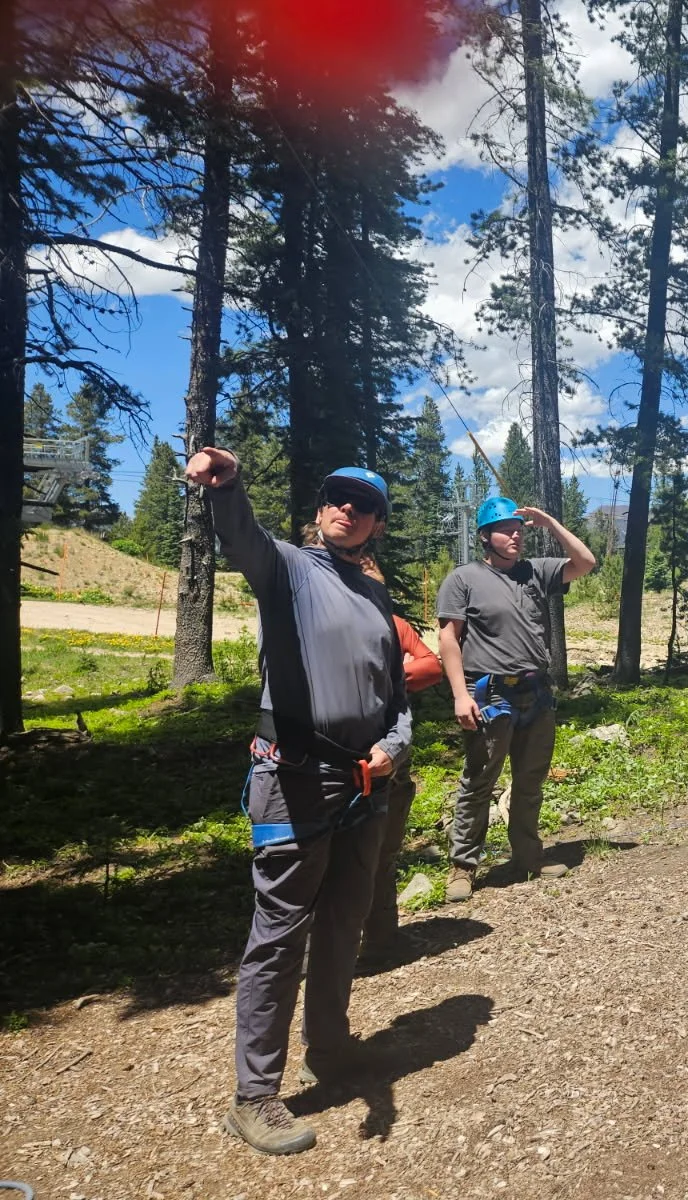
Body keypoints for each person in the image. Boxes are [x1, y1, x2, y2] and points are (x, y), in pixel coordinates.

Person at [185, 447, 410, 1157]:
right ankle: (254, 1097)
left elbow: (397, 698)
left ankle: (332, 1048)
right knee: (280, 937)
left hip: (363, 785)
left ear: (375, 523)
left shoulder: (376, 595)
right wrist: (227, 486)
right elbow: (243, 536)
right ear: (320, 510)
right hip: (293, 779)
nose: (348, 509)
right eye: (337, 498)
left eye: (363, 505)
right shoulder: (285, 568)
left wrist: (395, 748)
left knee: (344, 919)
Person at [436, 495, 596, 902]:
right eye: (506, 530)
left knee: (530, 781)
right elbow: (449, 639)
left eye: (518, 529)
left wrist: (549, 523)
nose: (515, 535)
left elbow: (586, 562)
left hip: (536, 693)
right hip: (490, 694)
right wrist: (459, 695)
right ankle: (462, 867)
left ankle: (527, 855)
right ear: (485, 537)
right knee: (477, 782)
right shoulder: (463, 579)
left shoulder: (535, 572)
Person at [354, 553, 443, 962]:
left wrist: (383, 676)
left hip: (392, 762)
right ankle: (330, 944)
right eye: (359, 567)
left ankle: (382, 938)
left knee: (385, 851)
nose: (369, 574)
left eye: (373, 568)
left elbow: (431, 667)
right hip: (336, 757)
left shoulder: (395, 625)